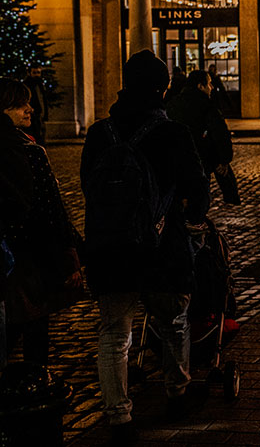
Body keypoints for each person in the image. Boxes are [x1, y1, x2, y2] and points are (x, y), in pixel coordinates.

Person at [81, 50, 210, 442]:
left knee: (114, 333)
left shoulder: (99, 133)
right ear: (163, 87)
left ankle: (118, 414)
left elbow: (89, 186)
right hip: (161, 246)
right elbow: (197, 191)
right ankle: (177, 391)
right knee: (171, 322)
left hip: (110, 247)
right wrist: (192, 224)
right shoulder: (173, 133)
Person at [1, 78, 82, 368]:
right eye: (21, 104)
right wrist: (69, 254)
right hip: (29, 256)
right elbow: (51, 211)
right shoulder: (31, 153)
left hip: (9, 252)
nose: (30, 109)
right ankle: (35, 385)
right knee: (34, 323)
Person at [166, 69, 239, 204]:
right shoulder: (207, 107)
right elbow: (220, 134)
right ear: (200, 86)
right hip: (202, 159)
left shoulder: (173, 104)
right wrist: (224, 159)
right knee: (200, 194)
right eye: (209, 84)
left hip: (178, 159)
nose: (211, 88)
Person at [23, 65, 49, 144]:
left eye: (38, 72)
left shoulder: (40, 84)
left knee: (40, 135)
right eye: (34, 73)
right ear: (29, 73)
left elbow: (43, 100)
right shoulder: (26, 85)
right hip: (33, 114)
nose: (37, 75)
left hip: (39, 114)